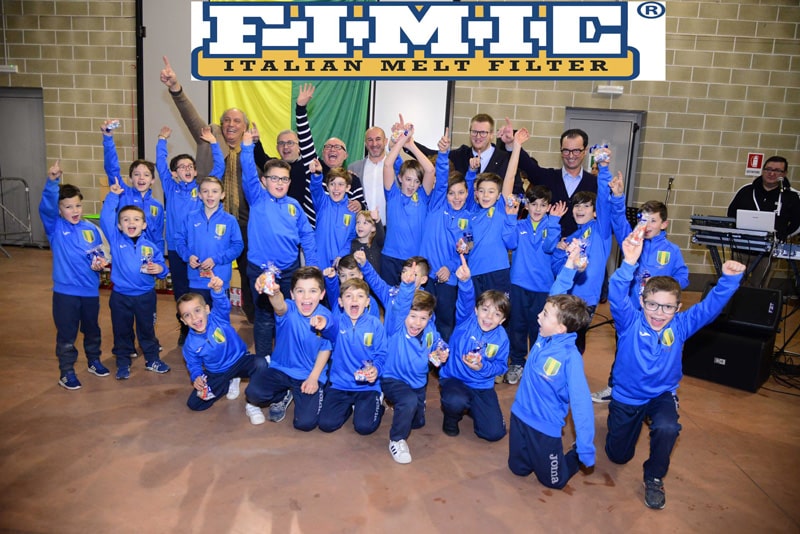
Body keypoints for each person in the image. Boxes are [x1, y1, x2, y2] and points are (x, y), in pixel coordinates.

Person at [606, 229, 746, 509]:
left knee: (668, 427)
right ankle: (622, 424)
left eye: (668, 308)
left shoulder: (680, 326)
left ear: (678, 308)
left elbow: (708, 309)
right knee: (617, 456)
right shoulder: (629, 322)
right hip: (627, 395)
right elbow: (617, 294)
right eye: (653, 305)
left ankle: (654, 477)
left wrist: (729, 280)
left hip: (661, 394)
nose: (659, 313)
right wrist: (629, 262)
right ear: (642, 301)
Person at [160, 55, 271, 323]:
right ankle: (192, 325)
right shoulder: (207, 139)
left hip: (243, 224)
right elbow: (189, 114)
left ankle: (254, 319)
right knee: (198, 279)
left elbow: (270, 175)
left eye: (237, 121)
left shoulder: (251, 151)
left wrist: (255, 146)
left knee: (249, 274)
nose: (231, 125)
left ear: (245, 127)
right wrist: (175, 87)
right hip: (208, 220)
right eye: (227, 120)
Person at [592, 189, 689, 403]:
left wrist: (665, 286)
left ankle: (659, 393)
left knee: (659, 353)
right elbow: (619, 220)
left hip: (657, 316)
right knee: (624, 351)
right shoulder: (634, 241)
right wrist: (618, 197)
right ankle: (615, 388)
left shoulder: (671, 250)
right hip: (632, 313)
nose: (647, 225)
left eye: (653, 220)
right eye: (644, 220)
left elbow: (683, 276)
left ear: (664, 224)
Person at [240, 132, 319, 361]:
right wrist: (247, 147)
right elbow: (248, 172)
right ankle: (264, 361)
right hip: (261, 272)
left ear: (289, 182)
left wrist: (312, 266)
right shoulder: (257, 198)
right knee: (265, 318)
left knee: (287, 316)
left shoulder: (294, 205)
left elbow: (307, 236)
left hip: (289, 272)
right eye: (274, 178)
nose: (279, 183)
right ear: (264, 181)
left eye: (284, 179)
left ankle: (286, 358)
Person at [507, 293, 594, 489]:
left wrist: (585, 447)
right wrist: (568, 273)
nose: (538, 315)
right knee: (518, 469)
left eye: (545, 314)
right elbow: (557, 290)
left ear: (561, 328)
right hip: (520, 416)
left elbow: (581, 404)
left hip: (544, 427)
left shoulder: (571, 358)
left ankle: (575, 455)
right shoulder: (543, 337)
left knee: (554, 481)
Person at [40, 160, 109, 390]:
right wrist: (52, 182)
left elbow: (98, 253)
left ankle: (94, 361)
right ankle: (67, 371)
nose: (75, 211)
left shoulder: (90, 229)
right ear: (59, 210)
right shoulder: (55, 227)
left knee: (92, 330)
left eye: (78, 205)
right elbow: (46, 208)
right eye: (68, 207)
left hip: (90, 292)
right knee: (67, 334)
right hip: (65, 294)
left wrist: (100, 262)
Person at [155, 125, 224, 345]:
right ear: (174, 173)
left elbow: (219, 169)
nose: (186, 169)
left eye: (190, 166)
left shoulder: (201, 190)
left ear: (195, 172)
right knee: (181, 290)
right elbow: (160, 165)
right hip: (176, 249)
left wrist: (214, 143)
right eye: (181, 167)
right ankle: (185, 329)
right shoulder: (171, 187)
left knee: (200, 290)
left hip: (197, 249)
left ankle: (207, 328)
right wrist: (162, 140)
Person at [245, 266, 333, 429]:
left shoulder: (326, 316)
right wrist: (273, 292)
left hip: (308, 374)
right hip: (281, 369)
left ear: (322, 294)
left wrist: (314, 377)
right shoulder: (289, 309)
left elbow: (325, 348)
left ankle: (305, 390)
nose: (306, 297)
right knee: (253, 393)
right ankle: (282, 394)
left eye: (313, 291)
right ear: (292, 294)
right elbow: (279, 306)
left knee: (305, 423)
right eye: (300, 291)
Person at [100, 183, 171, 380]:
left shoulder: (150, 247)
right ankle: (123, 362)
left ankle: (152, 359)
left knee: (147, 330)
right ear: (119, 225)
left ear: (144, 225)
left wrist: (160, 270)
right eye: (126, 219)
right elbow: (105, 218)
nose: (131, 222)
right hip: (120, 297)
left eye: (136, 219)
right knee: (121, 330)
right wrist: (113, 197)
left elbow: (161, 267)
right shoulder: (115, 241)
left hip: (145, 297)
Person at [550, 146, 615, 354]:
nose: (580, 209)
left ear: (595, 212)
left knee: (576, 343)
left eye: (586, 206)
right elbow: (557, 269)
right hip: (567, 297)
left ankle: (573, 372)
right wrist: (559, 251)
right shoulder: (570, 238)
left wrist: (603, 169)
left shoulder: (601, 231)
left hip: (586, 299)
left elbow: (603, 201)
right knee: (563, 341)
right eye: (577, 206)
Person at [438, 255, 509, 441]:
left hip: (481, 385)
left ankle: (473, 406)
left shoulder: (502, 338)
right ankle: (452, 417)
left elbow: (501, 366)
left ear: (502, 320)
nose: (489, 317)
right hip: (455, 378)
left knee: (494, 434)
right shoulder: (466, 320)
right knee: (455, 400)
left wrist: (482, 367)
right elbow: (465, 300)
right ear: (476, 310)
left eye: (496, 314)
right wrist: (465, 282)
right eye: (485, 310)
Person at [381, 263, 446, 464]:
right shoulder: (397, 327)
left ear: (429, 318)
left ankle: (409, 405)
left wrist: (443, 352)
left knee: (417, 422)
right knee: (407, 401)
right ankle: (397, 440)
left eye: (423, 318)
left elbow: (439, 342)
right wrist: (407, 286)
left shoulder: (429, 331)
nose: (417, 323)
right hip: (393, 378)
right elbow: (401, 305)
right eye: (413, 316)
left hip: (417, 383)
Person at [502, 186, 567, 384]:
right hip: (518, 285)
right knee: (517, 326)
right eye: (533, 204)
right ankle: (517, 362)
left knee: (539, 327)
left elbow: (549, 247)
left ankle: (537, 362)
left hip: (543, 288)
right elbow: (510, 243)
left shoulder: (552, 225)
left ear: (548, 207)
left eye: (542, 205)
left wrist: (554, 222)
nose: (537, 209)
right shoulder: (519, 225)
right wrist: (510, 217)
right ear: (526, 205)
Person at [178, 274, 268, 416]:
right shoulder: (189, 345)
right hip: (217, 372)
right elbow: (193, 364)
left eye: (197, 310)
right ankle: (227, 383)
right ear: (183, 321)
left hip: (239, 360)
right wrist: (197, 377)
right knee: (195, 404)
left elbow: (222, 305)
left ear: (207, 309)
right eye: (187, 315)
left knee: (261, 363)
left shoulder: (218, 318)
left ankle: (252, 402)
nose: (194, 318)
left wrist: (217, 291)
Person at [420, 128, 476, 342]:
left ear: (467, 193)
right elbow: (441, 178)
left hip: (449, 279)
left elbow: (466, 249)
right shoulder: (436, 206)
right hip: (426, 276)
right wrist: (443, 154)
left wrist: (450, 267)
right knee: (422, 320)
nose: (456, 197)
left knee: (445, 324)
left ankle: (444, 359)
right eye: (451, 193)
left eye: (461, 192)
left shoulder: (468, 219)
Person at [315, 278, 388, 435]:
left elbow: (382, 354)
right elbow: (328, 327)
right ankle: (347, 409)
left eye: (360, 296)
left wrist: (376, 369)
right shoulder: (337, 322)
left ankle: (377, 404)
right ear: (341, 302)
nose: (354, 300)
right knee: (326, 424)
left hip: (368, 386)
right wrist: (322, 323)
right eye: (348, 296)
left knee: (364, 427)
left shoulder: (375, 324)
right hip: (340, 385)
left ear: (367, 302)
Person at [466, 128, 528, 297]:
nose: (486, 195)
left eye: (491, 191)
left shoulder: (501, 207)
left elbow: (510, 176)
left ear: (499, 195)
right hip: (474, 272)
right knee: (476, 310)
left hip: (497, 271)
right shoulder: (472, 211)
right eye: (482, 191)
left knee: (498, 310)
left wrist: (516, 146)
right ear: (476, 193)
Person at [514, 127, 598, 237]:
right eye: (566, 151)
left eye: (576, 151)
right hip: (548, 245)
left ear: (585, 151)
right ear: (561, 150)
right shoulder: (547, 177)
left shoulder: (595, 183)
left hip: (582, 245)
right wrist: (513, 143)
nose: (571, 156)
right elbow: (528, 165)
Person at [174, 176, 243, 306]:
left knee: (220, 315)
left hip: (220, 280)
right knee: (198, 315)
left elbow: (238, 246)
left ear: (222, 195)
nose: (210, 195)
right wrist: (188, 256)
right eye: (205, 191)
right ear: (199, 195)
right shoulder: (190, 218)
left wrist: (216, 259)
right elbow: (179, 240)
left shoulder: (230, 220)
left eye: (215, 191)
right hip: (196, 280)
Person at [415, 113, 524, 194]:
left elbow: (517, 191)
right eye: (474, 132)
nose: (478, 136)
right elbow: (430, 155)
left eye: (483, 133)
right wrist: (408, 143)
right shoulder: (460, 155)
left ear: (492, 134)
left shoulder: (505, 159)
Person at [381, 122, 436, 285]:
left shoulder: (423, 196)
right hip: (390, 258)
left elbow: (430, 170)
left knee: (412, 299)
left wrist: (410, 144)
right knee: (389, 298)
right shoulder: (392, 194)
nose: (412, 185)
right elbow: (388, 164)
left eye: (416, 181)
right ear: (400, 178)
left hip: (414, 260)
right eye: (408, 179)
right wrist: (401, 140)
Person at [101, 120, 165, 255]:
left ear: (152, 180)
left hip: (147, 257)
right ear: (130, 178)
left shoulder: (157, 206)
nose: (141, 178)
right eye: (136, 174)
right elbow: (112, 168)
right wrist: (108, 139)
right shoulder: (122, 193)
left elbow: (158, 238)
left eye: (146, 175)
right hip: (123, 253)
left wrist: (159, 260)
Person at [727, 155, 800, 241]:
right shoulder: (746, 191)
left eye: (777, 170)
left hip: (774, 246)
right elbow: (731, 214)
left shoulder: (791, 196)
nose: (771, 173)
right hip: (742, 245)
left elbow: (796, 223)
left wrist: (781, 237)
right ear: (763, 170)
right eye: (768, 169)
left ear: (784, 174)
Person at [310, 161, 357, 270]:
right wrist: (317, 174)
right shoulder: (322, 203)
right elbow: (315, 189)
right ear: (327, 187)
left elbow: (352, 237)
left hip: (340, 263)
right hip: (319, 262)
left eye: (340, 184)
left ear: (348, 187)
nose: (336, 188)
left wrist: (342, 255)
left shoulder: (352, 210)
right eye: (332, 184)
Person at [348, 126, 388, 224]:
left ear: (385, 141)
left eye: (378, 139)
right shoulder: (353, 168)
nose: (374, 144)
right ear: (365, 143)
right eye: (370, 140)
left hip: (389, 228)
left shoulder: (395, 167)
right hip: (361, 229)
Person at [322, 254, 381, 319]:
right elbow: (332, 289)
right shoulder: (338, 299)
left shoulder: (370, 302)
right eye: (343, 276)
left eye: (352, 274)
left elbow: (374, 323)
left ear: (361, 275)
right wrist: (331, 279)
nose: (348, 279)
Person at [350, 209, 385, 276]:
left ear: (373, 228)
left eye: (365, 223)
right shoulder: (353, 243)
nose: (360, 225)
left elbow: (381, 235)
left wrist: (377, 220)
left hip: (375, 281)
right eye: (358, 222)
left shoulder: (376, 242)